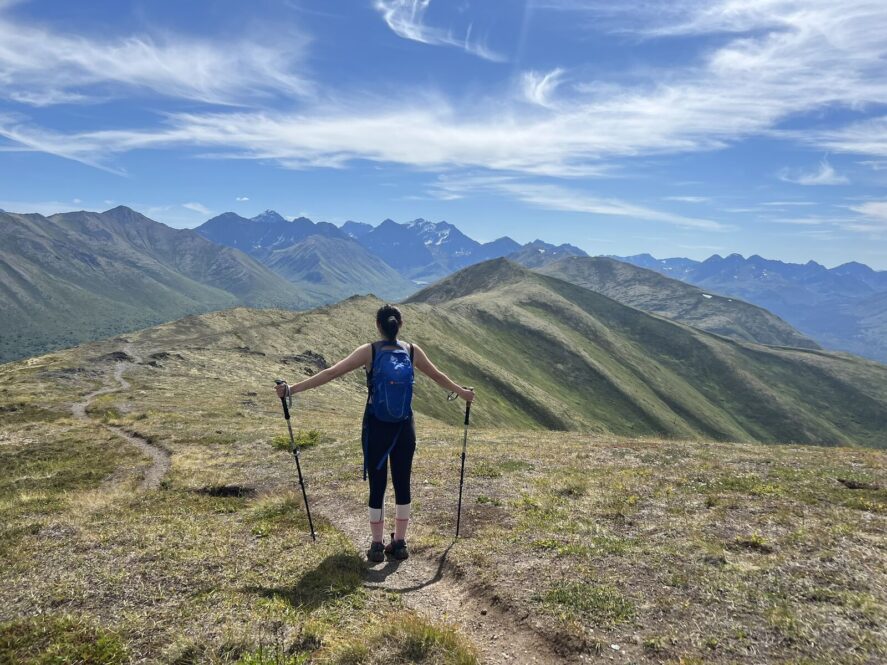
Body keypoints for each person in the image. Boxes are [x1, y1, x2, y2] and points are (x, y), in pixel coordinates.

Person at [276, 304, 475, 562]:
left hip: (377, 426)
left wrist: (292, 389)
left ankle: (377, 546)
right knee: (403, 483)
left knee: (377, 486)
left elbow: (332, 372)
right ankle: (400, 543)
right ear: (400, 324)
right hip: (405, 427)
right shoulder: (412, 351)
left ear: (378, 326)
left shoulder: (369, 351)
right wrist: (464, 393)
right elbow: (438, 376)